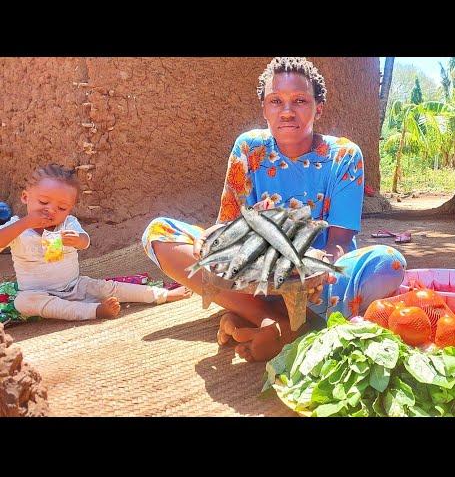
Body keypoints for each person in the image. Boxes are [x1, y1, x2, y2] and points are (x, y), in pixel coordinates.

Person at [142, 57, 406, 362]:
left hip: (316, 284)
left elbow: (339, 243)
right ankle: (272, 319)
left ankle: (262, 317)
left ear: (318, 107)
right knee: (159, 232)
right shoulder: (249, 148)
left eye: (300, 101)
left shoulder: (344, 156)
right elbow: (230, 225)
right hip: (255, 278)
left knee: (389, 263)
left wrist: (313, 267)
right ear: (264, 108)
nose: (287, 111)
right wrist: (212, 239)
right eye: (276, 101)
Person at [0, 164, 192, 321]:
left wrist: (77, 240)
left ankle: (161, 295)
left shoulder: (68, 223)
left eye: (62, 207)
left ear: (70, 209)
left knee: (108, 288)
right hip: (36, 293)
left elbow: (85, 242)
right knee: (23, 303)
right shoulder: (16, 227)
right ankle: (95, 311)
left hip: (74, 286)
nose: (51, 211)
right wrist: (25, 223)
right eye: (43, 203)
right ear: (25, 197)